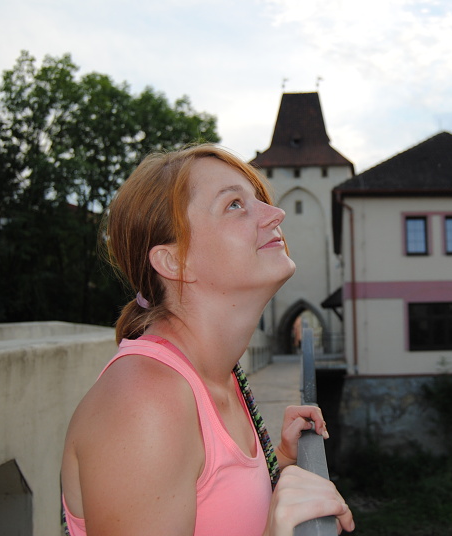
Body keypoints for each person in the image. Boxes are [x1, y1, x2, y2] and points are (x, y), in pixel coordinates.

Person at [60, 144, 354, 536]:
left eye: (259, 200)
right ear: (175, 262)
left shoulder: (220, 374)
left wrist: (280, 461)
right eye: (235, 204)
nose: (276, 213)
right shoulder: (145, 404)